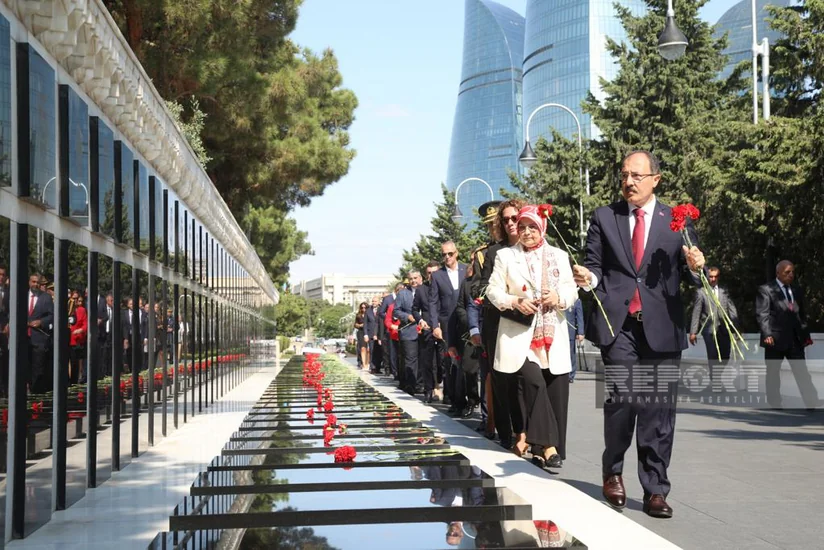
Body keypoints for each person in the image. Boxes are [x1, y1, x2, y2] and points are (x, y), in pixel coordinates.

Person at [573, 150, 705, 519]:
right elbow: (595, 266)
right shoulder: (605, 216)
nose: (628, 181)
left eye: (636, 175)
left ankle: (655, 490)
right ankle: (612, 470)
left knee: (658, 413)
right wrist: (588, 279)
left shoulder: (674, 220)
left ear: (655, 180)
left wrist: (697, 267)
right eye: (624, 175)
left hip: (663, 326)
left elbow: (691, 270)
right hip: (620, 327)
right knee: (623, 401)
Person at [487, 205, 578, 470]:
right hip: (520, 336)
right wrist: (514, 301)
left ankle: (540, 450)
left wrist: (558, 298)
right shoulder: (506, 256)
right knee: (535, 383)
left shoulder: (559, 256)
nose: (527, 232)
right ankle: (549, 446)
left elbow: (571, 291)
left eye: (532, 227)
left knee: (555, 394)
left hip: (553, 336)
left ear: (543, 228)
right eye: (523, 226)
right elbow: (493, 291)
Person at [755, 260, 820, 410]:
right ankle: (774, 402)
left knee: (802, 371)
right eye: (787, 272)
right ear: (778, 273)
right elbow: (762, 315)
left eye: (792, 272)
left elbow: (801, 314)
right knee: (773, 373)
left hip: (794, 340)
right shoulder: (766, 289)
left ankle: (811, 401)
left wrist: (805, 334)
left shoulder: (796, 290)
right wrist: (767, 334)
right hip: (774, 339)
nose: (791, 275)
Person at [689, 266, 738, 376]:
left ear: (718, 277)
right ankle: (716, 381)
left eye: (715, 276)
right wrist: (693, 332)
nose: (713, 279)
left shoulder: (724, 291)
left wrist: (736, 328)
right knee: (713, 356)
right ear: (707, 277)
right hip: (709, 330)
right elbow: (696, 312)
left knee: (725, 355)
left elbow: (732, 309)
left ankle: (716, 375)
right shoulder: (701, 292)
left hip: (724, 329)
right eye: (711, 277)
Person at [566, 299, 585, 383]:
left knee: (571, 354)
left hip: (570, 330)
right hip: (558, 331)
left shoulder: (576, 301)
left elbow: (580, 317)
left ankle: (571, 375)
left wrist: (580, 332)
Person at [353, 302, 368, 369]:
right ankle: (361, 362)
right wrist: (359, 325)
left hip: (368, 332)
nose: (363, 309)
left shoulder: (369, 314)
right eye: (362, 307)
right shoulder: (358, 315)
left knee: (369, 349)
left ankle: (368, 363)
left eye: (365, 307)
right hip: (361, 332)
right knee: (362, 348)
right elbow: (355, 324)